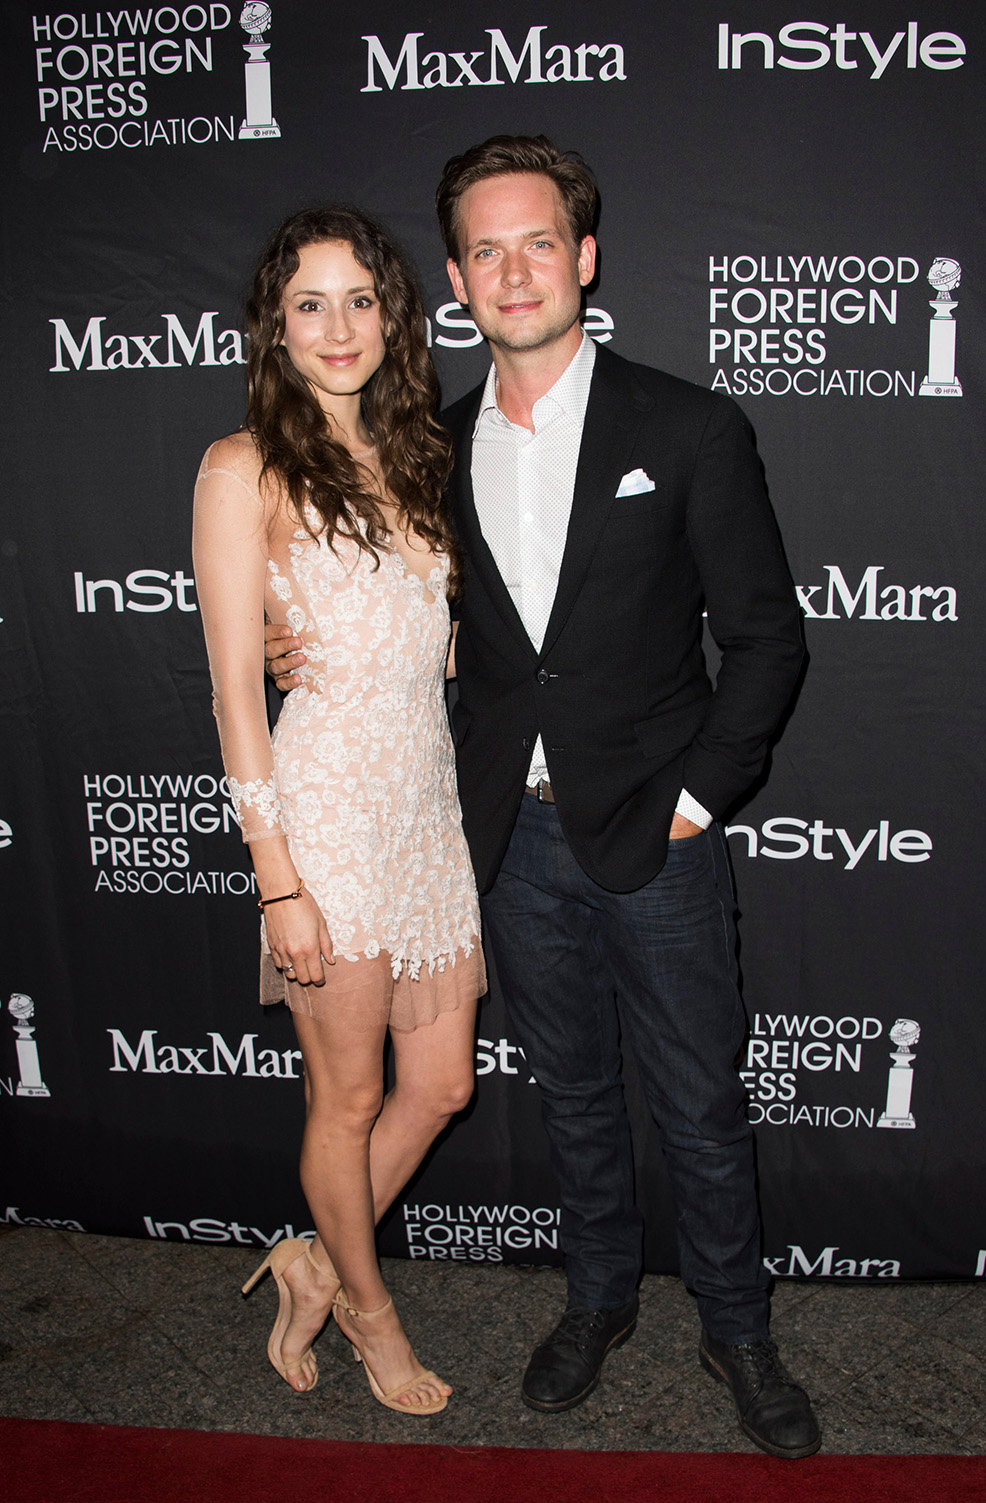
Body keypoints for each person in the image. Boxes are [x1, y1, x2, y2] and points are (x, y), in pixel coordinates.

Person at [266, 139, 819, 1459]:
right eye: (485, 250)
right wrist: (307, 649)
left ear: (584, 258)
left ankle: (739, 1326)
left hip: (660, 833)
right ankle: (597, 1298)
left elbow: (768, 640)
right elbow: (412, 620)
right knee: (571, 1092)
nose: (514, 270)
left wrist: (696, 798)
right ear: (454, 279)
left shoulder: (687, 425)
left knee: (697, 1097)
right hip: (503, 843)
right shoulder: (428, 446)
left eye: (538, 242)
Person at [193, 206, 486, 1416]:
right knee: (349, 1098)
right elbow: (231, 698)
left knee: (444, 1087)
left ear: (394, 317)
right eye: (309, 302)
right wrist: (278, 877)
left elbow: (435, 648)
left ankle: (312, 1260)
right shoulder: (240, 466)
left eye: (361, 299)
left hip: (426, 811)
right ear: (275, 323)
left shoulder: (417, 456)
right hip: (323, 823)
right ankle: (370, 1318)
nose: (338, 326)